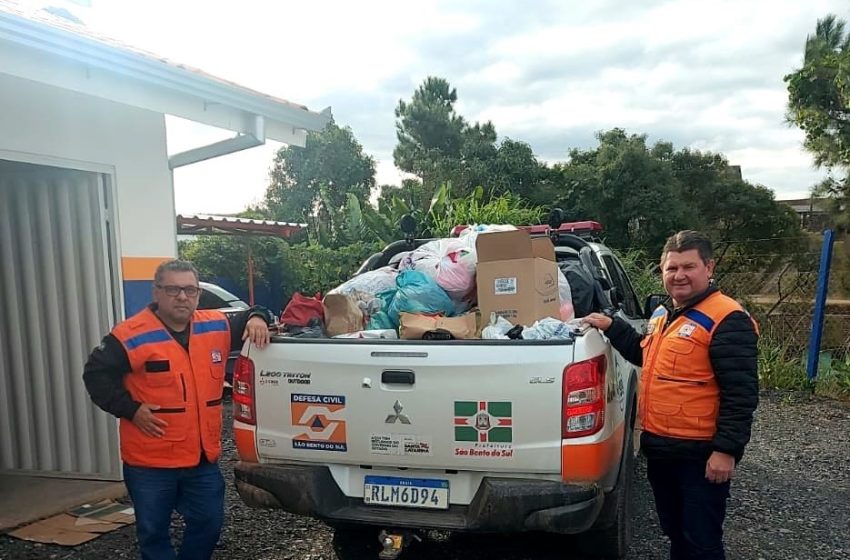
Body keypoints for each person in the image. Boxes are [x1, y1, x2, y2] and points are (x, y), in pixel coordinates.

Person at [583, 230, 758, 560]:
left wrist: (726, 451)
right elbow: (644, 356)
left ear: (709, 267)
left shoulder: (727, 318)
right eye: (671, 268)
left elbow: (741, 394)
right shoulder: (663, 315)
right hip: (661, 451)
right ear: (662, 271)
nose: (679, 276)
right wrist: (611, 325)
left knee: (701, 541)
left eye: (688, 267)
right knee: (675, 532)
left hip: (700, 457)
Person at [83, 259, 272, 560]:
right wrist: (130, 409)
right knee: (153, 531)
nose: (182, 296)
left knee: (209, 522)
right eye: (173, 289)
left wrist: (258, 317)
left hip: (200, 459)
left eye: (189, 290)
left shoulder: (215, 325)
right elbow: (95, 375)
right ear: (156, 292)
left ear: (198, 294)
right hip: (150, 461)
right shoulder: (130, 335)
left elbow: (254, 312)